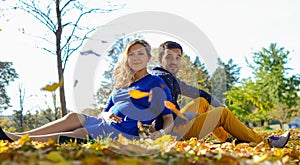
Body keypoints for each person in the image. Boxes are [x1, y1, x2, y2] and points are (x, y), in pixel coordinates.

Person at [0, 39, 174, 142]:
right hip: (106, 122)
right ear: (126, 58)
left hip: (126, 131)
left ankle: (18, 140)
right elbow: (103, 113)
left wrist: (160, 133)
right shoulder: (122, 84)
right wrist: (106, 115)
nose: (136, 58)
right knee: (73, 117)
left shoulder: (155, 82)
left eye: (141, 54)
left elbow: (168, 118)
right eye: (131, 54)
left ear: (149, 58)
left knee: (81, 133)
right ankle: (18, 135)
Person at [151, 41, 290, 148]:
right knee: (222, 113)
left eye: (178, 57)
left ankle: (227, 139)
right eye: (169, 57)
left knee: (202, 101)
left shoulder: (167, 77)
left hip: (175, 125)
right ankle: (266, 142)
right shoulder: (161, 79)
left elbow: (197, 92)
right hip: (173, 132)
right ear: (160, 58)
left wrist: (216, 102)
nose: (174, 61)